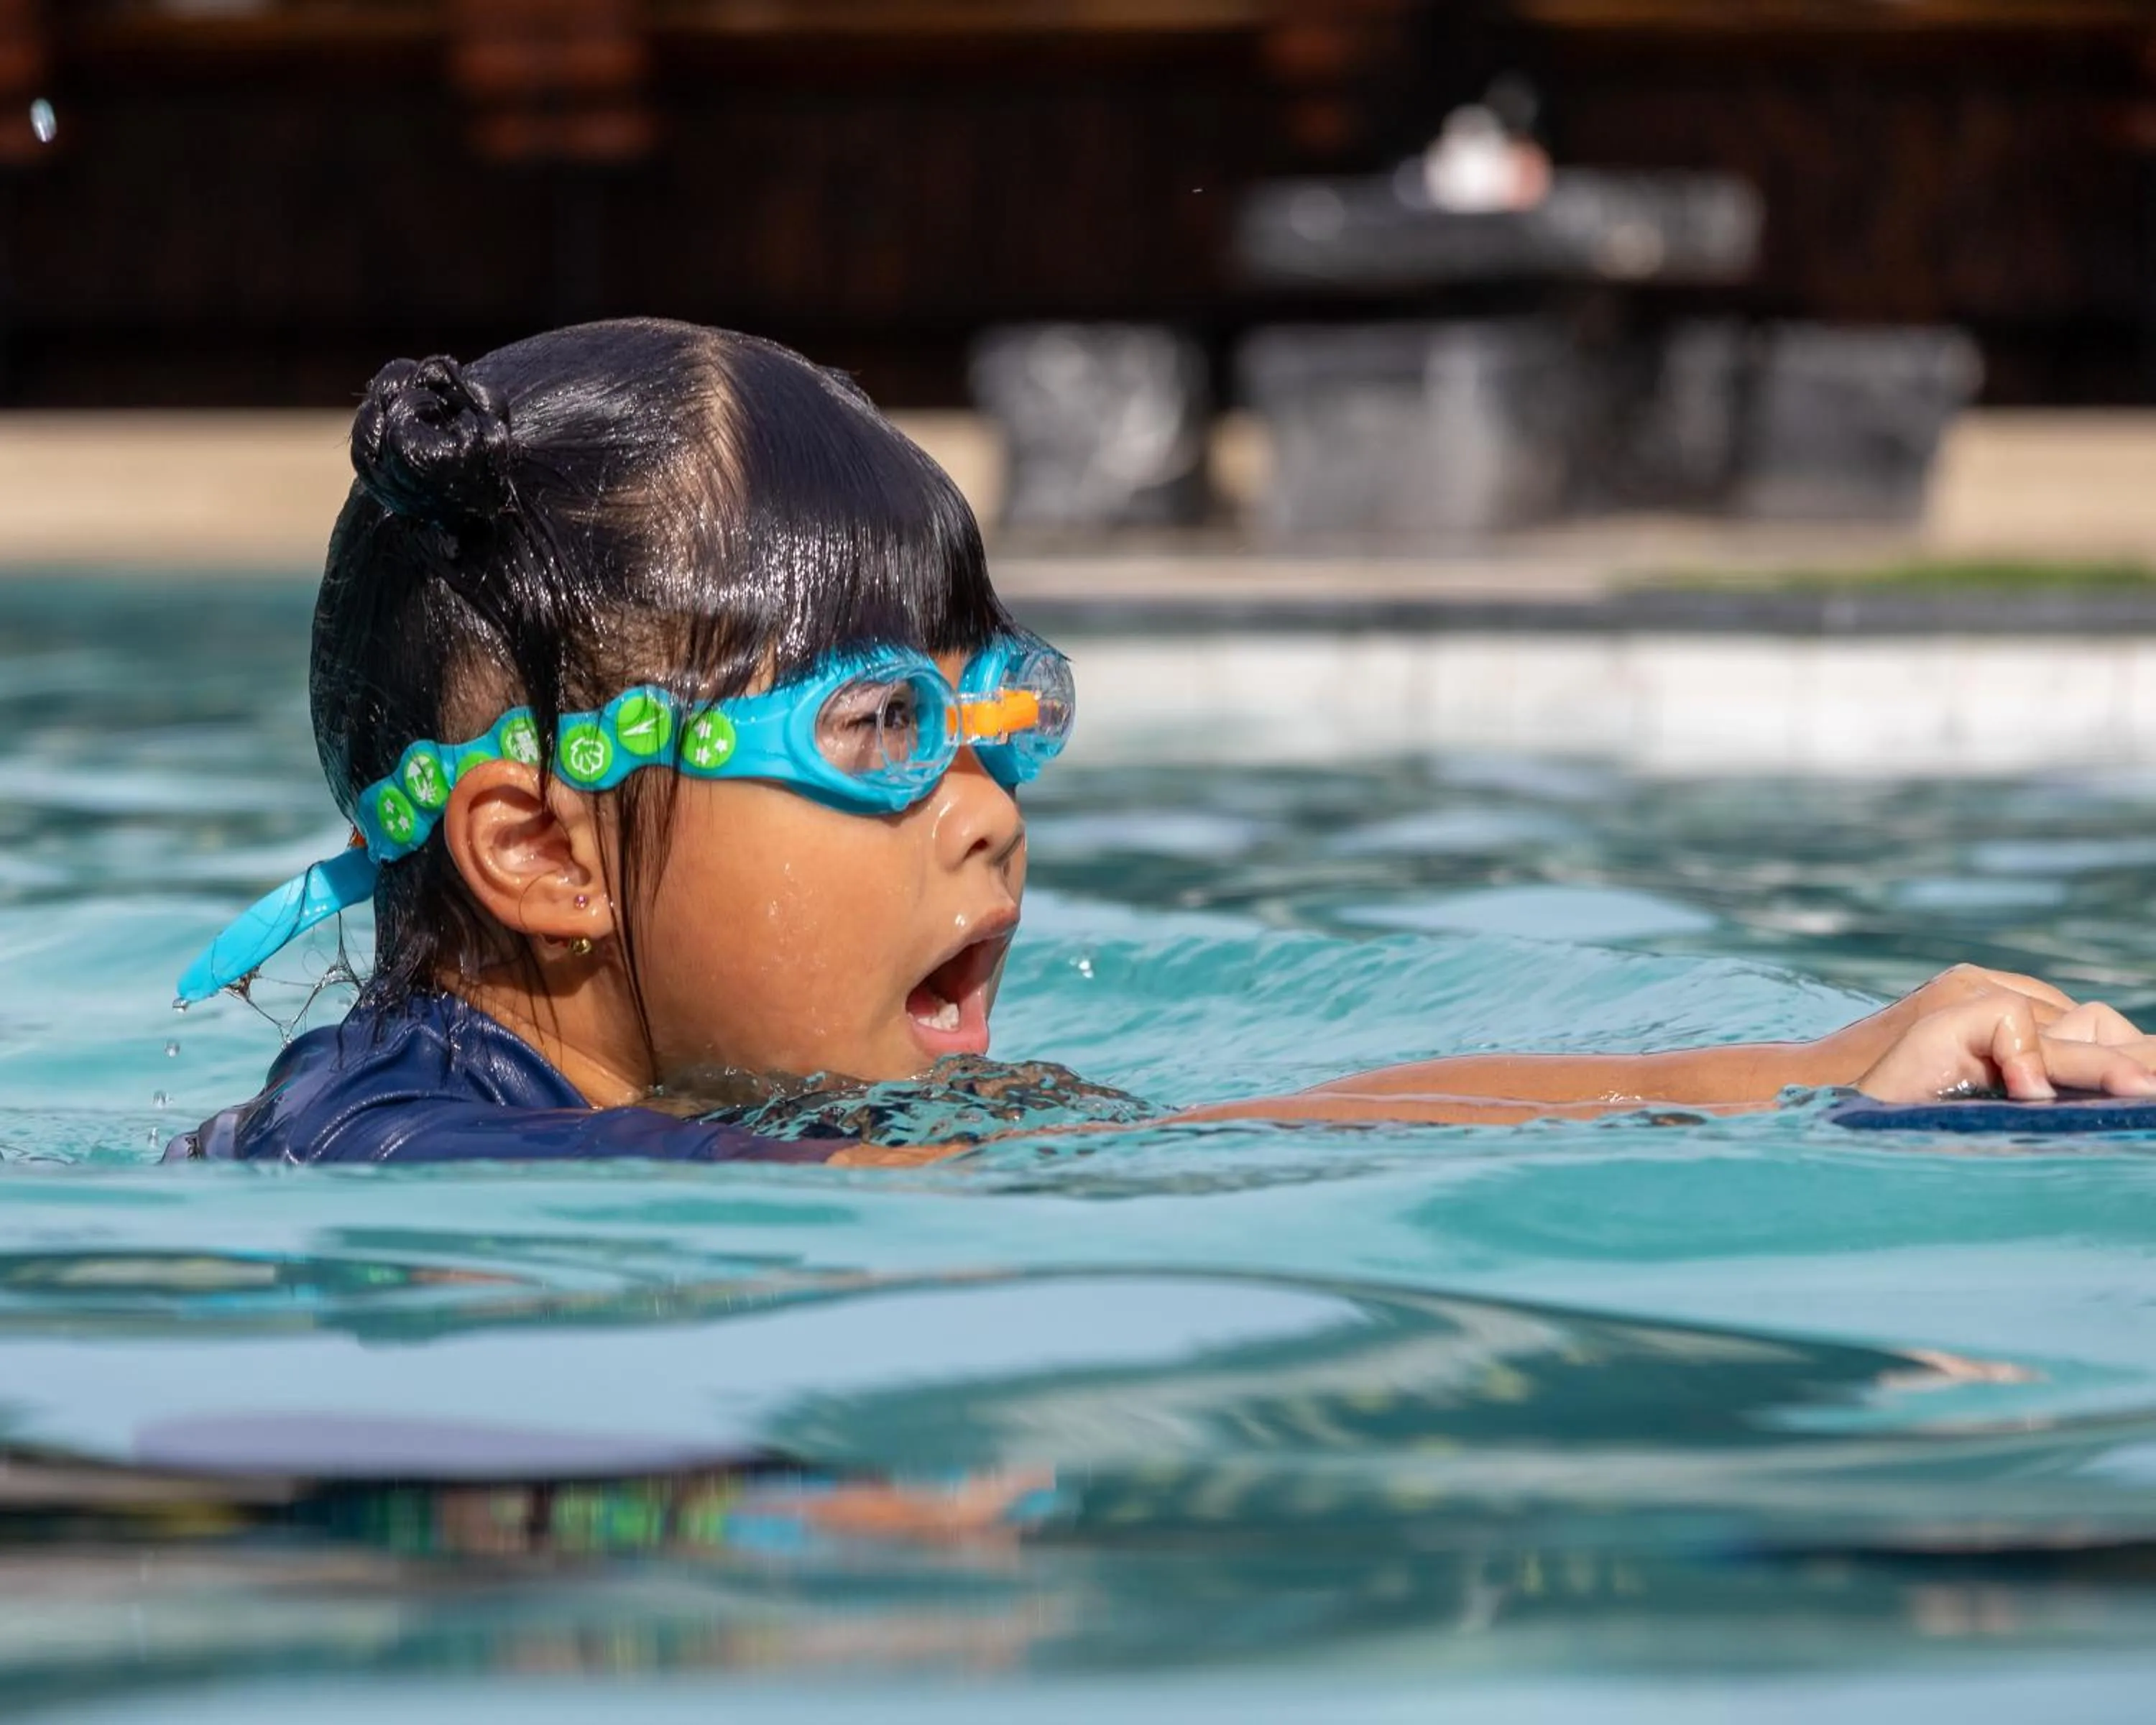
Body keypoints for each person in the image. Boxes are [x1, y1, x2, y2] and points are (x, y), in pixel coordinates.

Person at [168, 321, 2156, 1168]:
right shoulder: (411, 1163)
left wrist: (1837, 1061)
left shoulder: (790, 1104)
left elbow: (1235, 1141)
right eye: (879, 730)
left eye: (998, 712)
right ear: (540, 852)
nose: (986, 810)